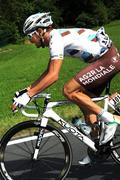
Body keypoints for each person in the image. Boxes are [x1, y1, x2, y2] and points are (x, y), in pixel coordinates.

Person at [12, 12, 120, 165]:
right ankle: (98, 149)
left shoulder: (56, 39)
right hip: (106, 59)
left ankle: (109, 120)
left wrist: (28, 96)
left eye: (30, 36)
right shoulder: (55, 38)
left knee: (69, 90)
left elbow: (54, 76)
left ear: (39, 31)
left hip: (108, 59)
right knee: (84, 101)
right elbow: (48, 71)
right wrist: (27, 90)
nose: (30, 41)